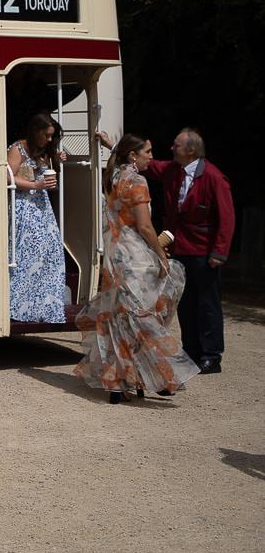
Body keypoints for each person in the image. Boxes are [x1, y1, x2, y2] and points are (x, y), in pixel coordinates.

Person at [74, 135, 199, 403]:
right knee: (148, 310)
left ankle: (119, 383)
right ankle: (158, 376)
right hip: (134, 256)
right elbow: (144, 226)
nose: (151, 157)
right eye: (148, 152)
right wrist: (160, 253)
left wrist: (112, 145)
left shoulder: (113, 177)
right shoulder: (138, 181)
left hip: (114, 254)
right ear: (133, 155)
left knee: (119, 318)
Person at [111, 127, 234, 373]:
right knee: (185, 302)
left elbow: (227, 216)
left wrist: (219, 252)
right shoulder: (173, 170)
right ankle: (191, 350)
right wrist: (111, 146)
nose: (171, 148)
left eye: (176, 145)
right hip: (179, 246)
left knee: (208, 303)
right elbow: (144, 161)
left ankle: (212, 355)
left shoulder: (213, 177)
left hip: (203, 249)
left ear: (190, 150)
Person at [7, 112, 69, 324]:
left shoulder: (42, 152)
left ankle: (42, 303)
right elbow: (7, 175)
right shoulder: (18, 149)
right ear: (36, 132)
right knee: (26, 254)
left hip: (42, 207)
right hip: (24, 206)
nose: (50, 140)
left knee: (49, 253)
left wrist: (57, 162)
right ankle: (20, 304)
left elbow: (46, 174)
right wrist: (35, 185)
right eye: (47, 135)